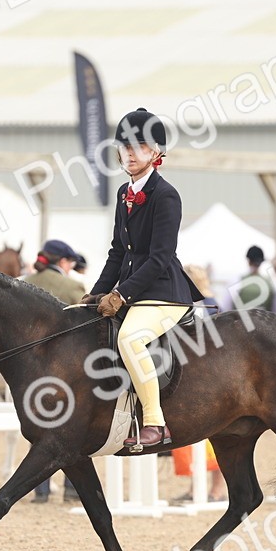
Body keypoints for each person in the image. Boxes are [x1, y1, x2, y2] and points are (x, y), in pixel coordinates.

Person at [81, 107, 203, 449]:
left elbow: (160, 257)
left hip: (164, 293)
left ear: (156, 153)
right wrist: (95, 294)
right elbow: (118, 252)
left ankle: (155, 422)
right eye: (125, 146)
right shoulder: (124, 194)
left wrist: (121, 295)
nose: (130, 153)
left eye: (139, 146)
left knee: (130, 340)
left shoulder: (166, 196)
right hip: (133, 290)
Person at [23, 239, 88, 502]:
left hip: (29, 367)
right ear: (63, 263)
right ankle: (72, 488)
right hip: (66, 368)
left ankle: (40, 489)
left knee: (39, 426)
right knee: (73, 426)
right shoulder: (72, 286)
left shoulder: (25, 282)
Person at [170, 264, 226, 502]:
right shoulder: (212, 304)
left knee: (210, 434)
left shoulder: (197, 305)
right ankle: (204, 489)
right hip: (206, 371)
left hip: (201, 372)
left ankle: (213, 489)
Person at [229, 245, 276, 312]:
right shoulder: (270, 282)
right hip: (264, 321)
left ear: (248, 261)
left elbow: (227, 307)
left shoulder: (237, 280)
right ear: (261, 262)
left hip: (241, 321)